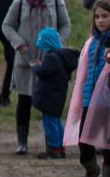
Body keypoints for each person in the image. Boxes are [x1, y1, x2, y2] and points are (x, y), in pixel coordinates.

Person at [1, 0, 72, 156]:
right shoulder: (20, 1)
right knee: (24, 100)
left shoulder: (56, 0)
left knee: (50, 105)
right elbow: (6, 26)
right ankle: (22, 143)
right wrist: (19, 43)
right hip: (25, 60)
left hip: (50, 62)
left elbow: (66, 26)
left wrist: (56, 44)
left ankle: (54, 145)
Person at [65, 0, 110, 177]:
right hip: (88, 100)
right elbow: (84, 75)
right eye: (97, 16)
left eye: (105, 16)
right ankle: (91, 170)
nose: (101, 20)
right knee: (85, 144)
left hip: (109, 102)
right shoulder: (91, 43)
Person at [31, 27, 76, 161]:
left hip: (49, 97)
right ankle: (60, 147)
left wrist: (36, 67)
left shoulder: (51, 57)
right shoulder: (61, 57)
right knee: (56, 121)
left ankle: (54, 149)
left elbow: (43, 72)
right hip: (58, 96)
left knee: (50, 123)